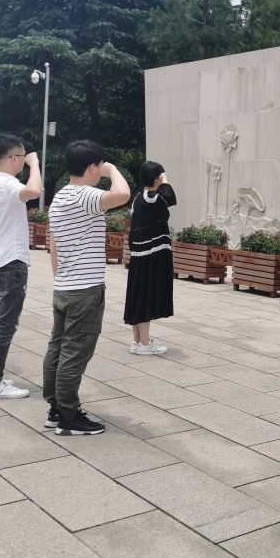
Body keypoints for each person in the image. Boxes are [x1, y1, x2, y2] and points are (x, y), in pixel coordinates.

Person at [44, 140, 129, 436]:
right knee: (75, 352)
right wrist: (113, 170)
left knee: (58, 349)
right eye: (100, 166)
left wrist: (59, 276)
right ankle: (68, 415)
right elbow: (123, 194)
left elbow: (53, 242)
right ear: (93, 167)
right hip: (84, 290)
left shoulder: (60, 196)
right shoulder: (85, 195)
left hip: (65, 286)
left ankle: (56, 408)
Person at [0, 136, 42, 399]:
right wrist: (35, 165)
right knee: (5, 325)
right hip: (11, 262)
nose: (25, 161)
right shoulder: (8, 184)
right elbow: (34, 191)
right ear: (14, 159)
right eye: (23, 157)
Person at [123, 161, 175, 355]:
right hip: (152, 255)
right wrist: (165, 180)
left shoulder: (138, 198)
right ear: (156, 179)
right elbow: (170, 198)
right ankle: (144, 344)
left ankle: (138, 341)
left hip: (139, 255)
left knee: (138, 296)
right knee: (146, 297)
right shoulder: (153, 198)